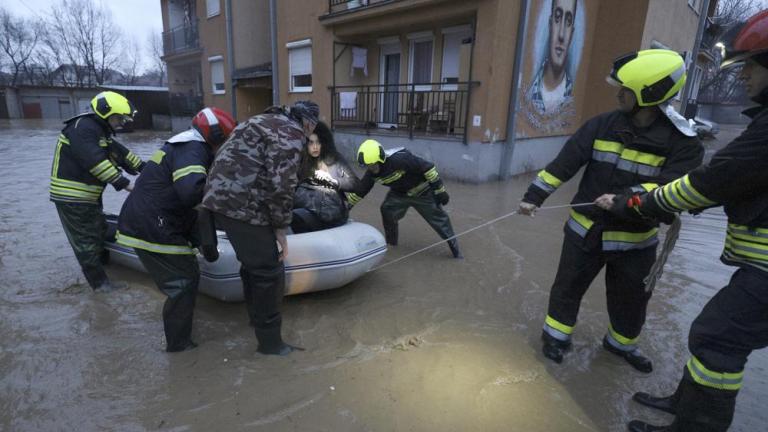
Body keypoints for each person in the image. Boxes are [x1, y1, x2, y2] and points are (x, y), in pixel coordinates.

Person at [596, 11, 768, 431]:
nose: (743, 74)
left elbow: (709, 183)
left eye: (751, 64)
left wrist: (636, 203)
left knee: (715, 337)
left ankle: (695, 426)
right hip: (757, 266)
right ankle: (684, 405)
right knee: (713, 333)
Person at [518, 49, 704, 372]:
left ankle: (620, 346)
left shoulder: (684, 144)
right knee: (566, 289)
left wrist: (624, 200)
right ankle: (555, 339)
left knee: (631, 301)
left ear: (648, 94)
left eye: (626, 90)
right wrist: (534, 195)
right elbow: (564, 164)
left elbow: (669, 189)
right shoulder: (601, 125)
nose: (618, 94)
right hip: (584, 232)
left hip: (636, 242)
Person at [201, 100, 320, 356]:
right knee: (269, 270)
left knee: (252, 265)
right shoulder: (291, 133)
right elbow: (282, 185)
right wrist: (281, 229)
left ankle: (255, 320)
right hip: (242, 206)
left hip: (218, 200)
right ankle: (270, 344)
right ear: (308, 122)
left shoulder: (258, 120)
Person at [116, 107, 236, 353]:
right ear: (215, 136)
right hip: (154, 224)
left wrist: (206, 243)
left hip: (152, 219)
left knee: (185, 275)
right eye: (225, 140)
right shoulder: (193, 150)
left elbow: (193, 206)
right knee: (183, 280)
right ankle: (179, 346)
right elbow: (192, 192)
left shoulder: (186, 145)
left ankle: (182, 334)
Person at [50, 91, 145, 292]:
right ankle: (101, 287)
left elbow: (122, 154)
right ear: (106, 113)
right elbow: (95, 161)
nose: (121, 123)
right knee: (86, 242)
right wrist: (126, 184)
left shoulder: (98, 131)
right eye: (119, 118)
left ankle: (106, 267)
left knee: (98, 230)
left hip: (87, 197)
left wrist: (149, 169)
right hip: (73, 198)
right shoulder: (81, 129)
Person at [346, 139, 462, 258]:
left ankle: (455, 250)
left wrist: (440, 191)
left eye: (373, 165)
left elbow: (428, 168)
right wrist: (345, 207)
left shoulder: (400, 159)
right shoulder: (371, 174)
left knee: (439, 220)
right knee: (387, 210)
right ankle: (391, 244)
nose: (371, 169)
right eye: (368, 166)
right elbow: (360, 191)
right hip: (399, 194)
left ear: (380, 159)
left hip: (422, 192)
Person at [291, 121, 360, 233]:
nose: (314, 146)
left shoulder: (333, 159)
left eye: (317, 142)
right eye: (310, 142)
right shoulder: (303, 159)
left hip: (329, 215)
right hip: (306, 211)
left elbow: (355, 185)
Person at [528, 0, 577, 115]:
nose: (561, 35)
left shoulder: (570, 100)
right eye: (557, 18)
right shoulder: (530, 94)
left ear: (572, 33)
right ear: (550, 25)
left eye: (568, 22)